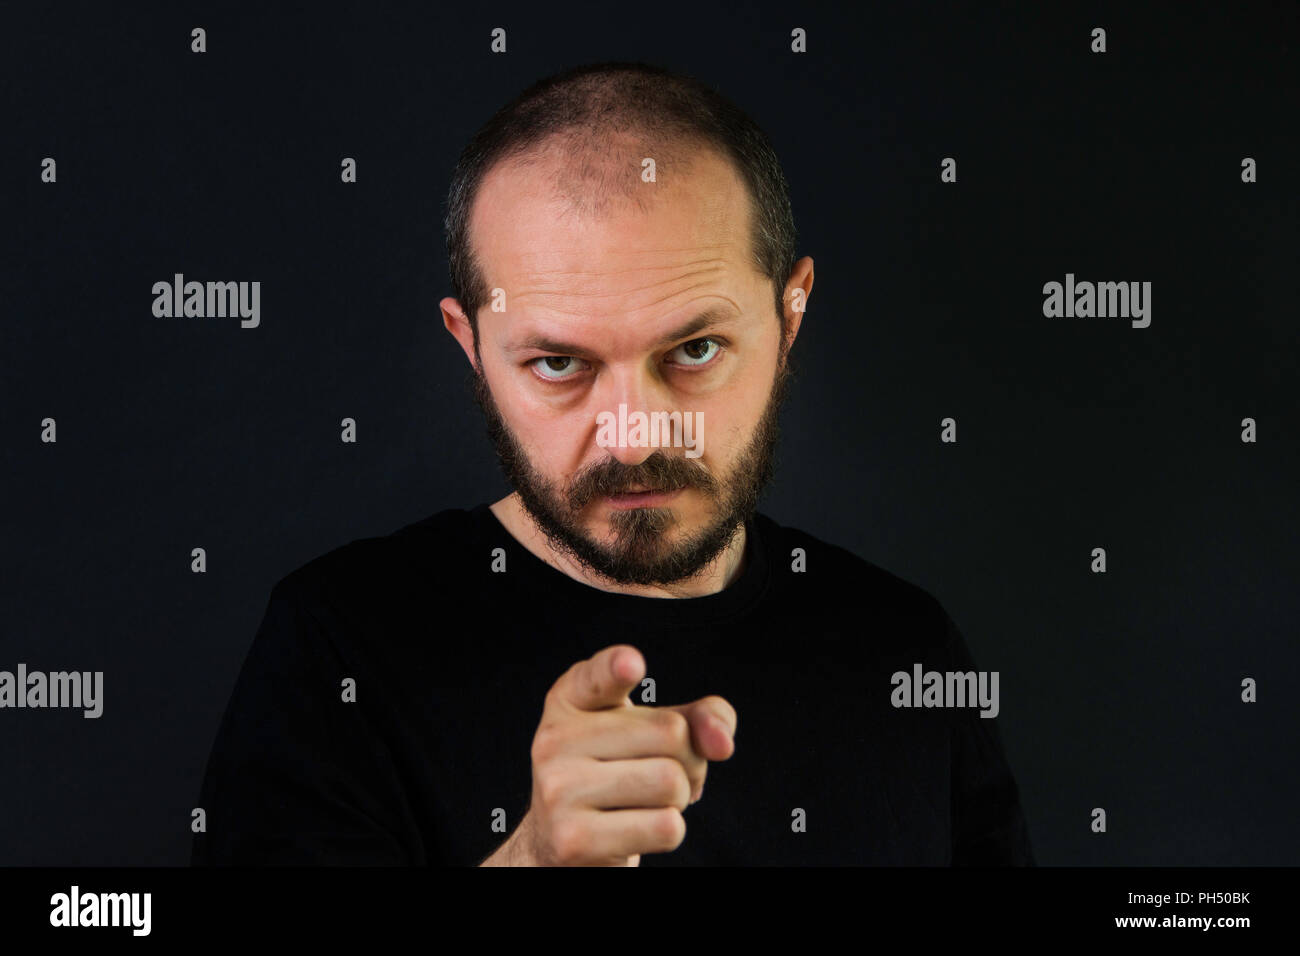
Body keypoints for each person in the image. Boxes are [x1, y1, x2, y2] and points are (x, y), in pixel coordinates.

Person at [192, 60, 1034, 866]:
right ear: (473, 349)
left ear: (790, 318)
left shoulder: (903, 645)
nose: (633, 437)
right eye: (559, 364)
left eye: (695, 349)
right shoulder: (335, 651)